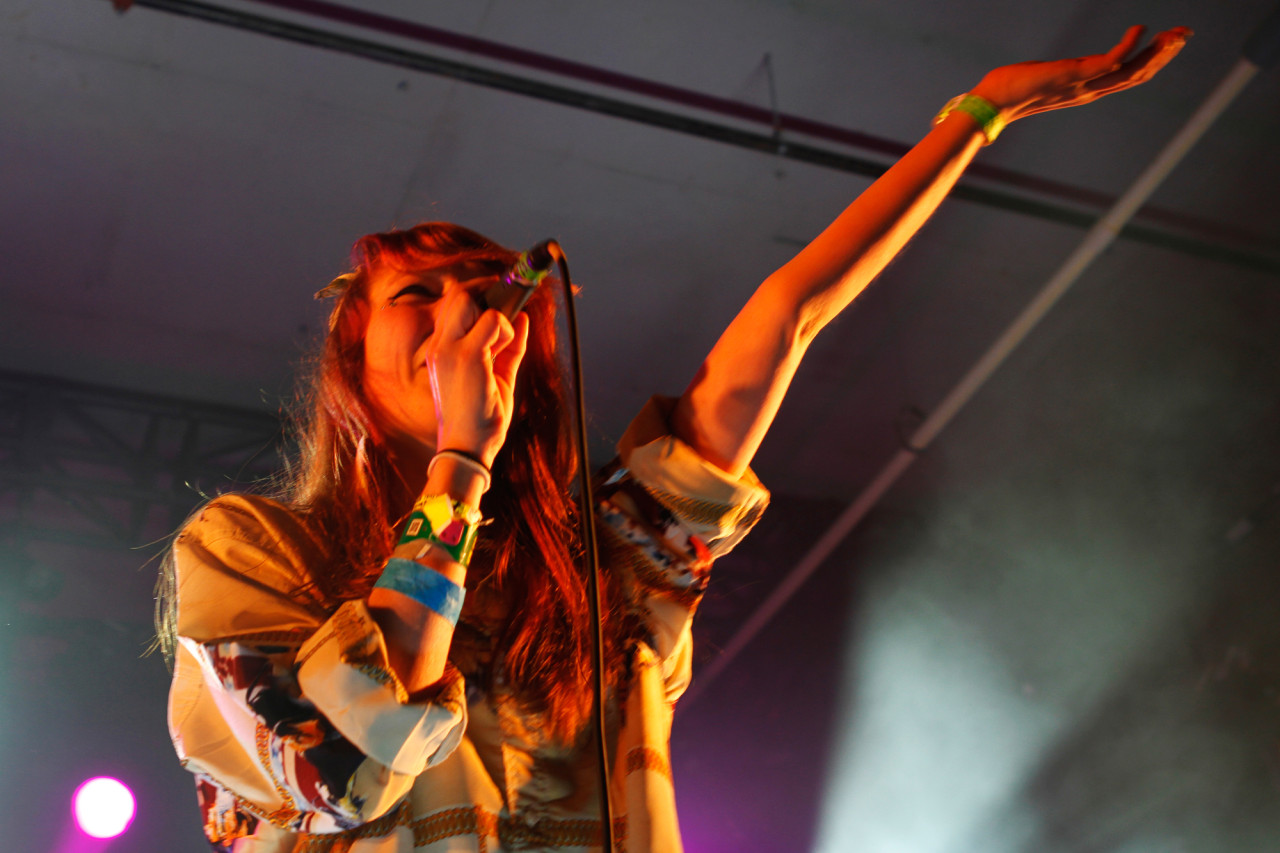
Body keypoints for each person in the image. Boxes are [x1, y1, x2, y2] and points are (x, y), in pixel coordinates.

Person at [157, 25, 1190, 853]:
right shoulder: (250, 550)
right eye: (415, 294)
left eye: (478, 288)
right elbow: (337, 757)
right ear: (349, 357)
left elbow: (785, 322)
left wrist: (976, 115)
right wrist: (459, 466)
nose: (456, 308)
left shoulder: (602, 574)